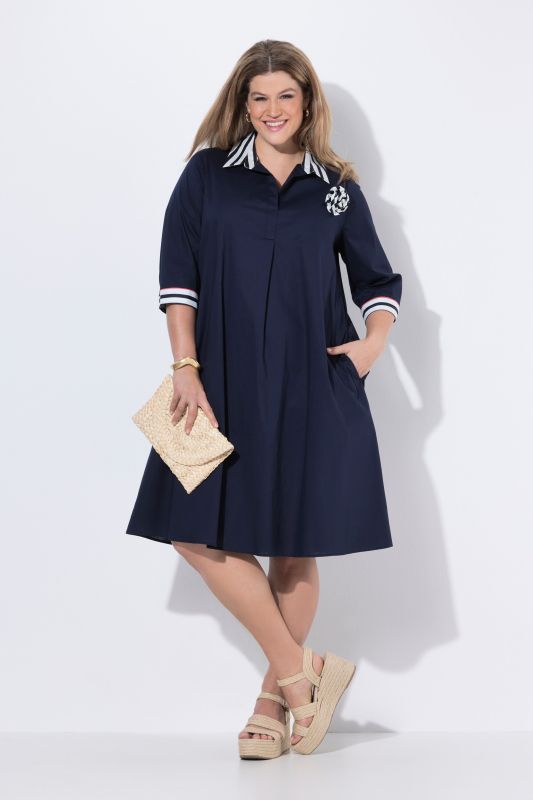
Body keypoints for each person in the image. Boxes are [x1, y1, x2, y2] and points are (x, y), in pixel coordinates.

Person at [126, 39, 402, 759]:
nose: (272, 109)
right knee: (191, 530)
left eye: (285, 95)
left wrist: (371, 345)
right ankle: (302, 674)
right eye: (259, 97)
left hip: (314, 382)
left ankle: (272, 704)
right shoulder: (207, 175)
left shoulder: (336, 189)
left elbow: (377, 281)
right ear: (242, 104)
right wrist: (184, 366)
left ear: (307, 103)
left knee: (294, 542)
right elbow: (178, 277)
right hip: (216, 380)